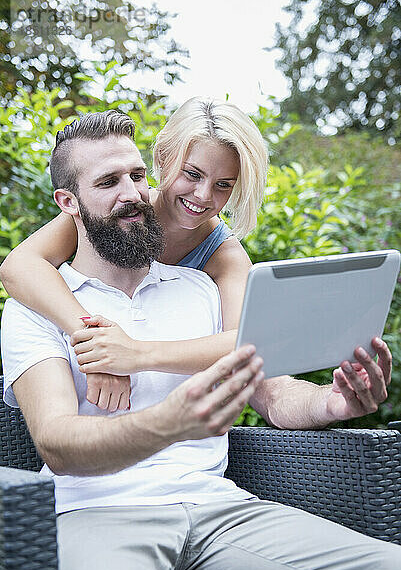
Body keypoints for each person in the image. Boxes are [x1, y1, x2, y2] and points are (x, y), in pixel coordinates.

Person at [1, 111, 400, 570]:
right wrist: (88, 335)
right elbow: (57, 443)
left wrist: (331, 402)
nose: (130, 192)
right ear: (69, 201)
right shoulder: (40, 303)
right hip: (98, 512)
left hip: (220, 510)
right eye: (109, 181)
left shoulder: (208, 280)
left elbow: (264, 381)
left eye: (134, 177)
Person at [0, 97, 267, 412]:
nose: (203, 195)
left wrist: (136, 354)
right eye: (192, 174)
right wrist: (95, 343)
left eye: (224, 185)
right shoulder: (121, 209)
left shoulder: (223, 253)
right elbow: (19, 266)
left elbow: (245, 342)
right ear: (163, 158)